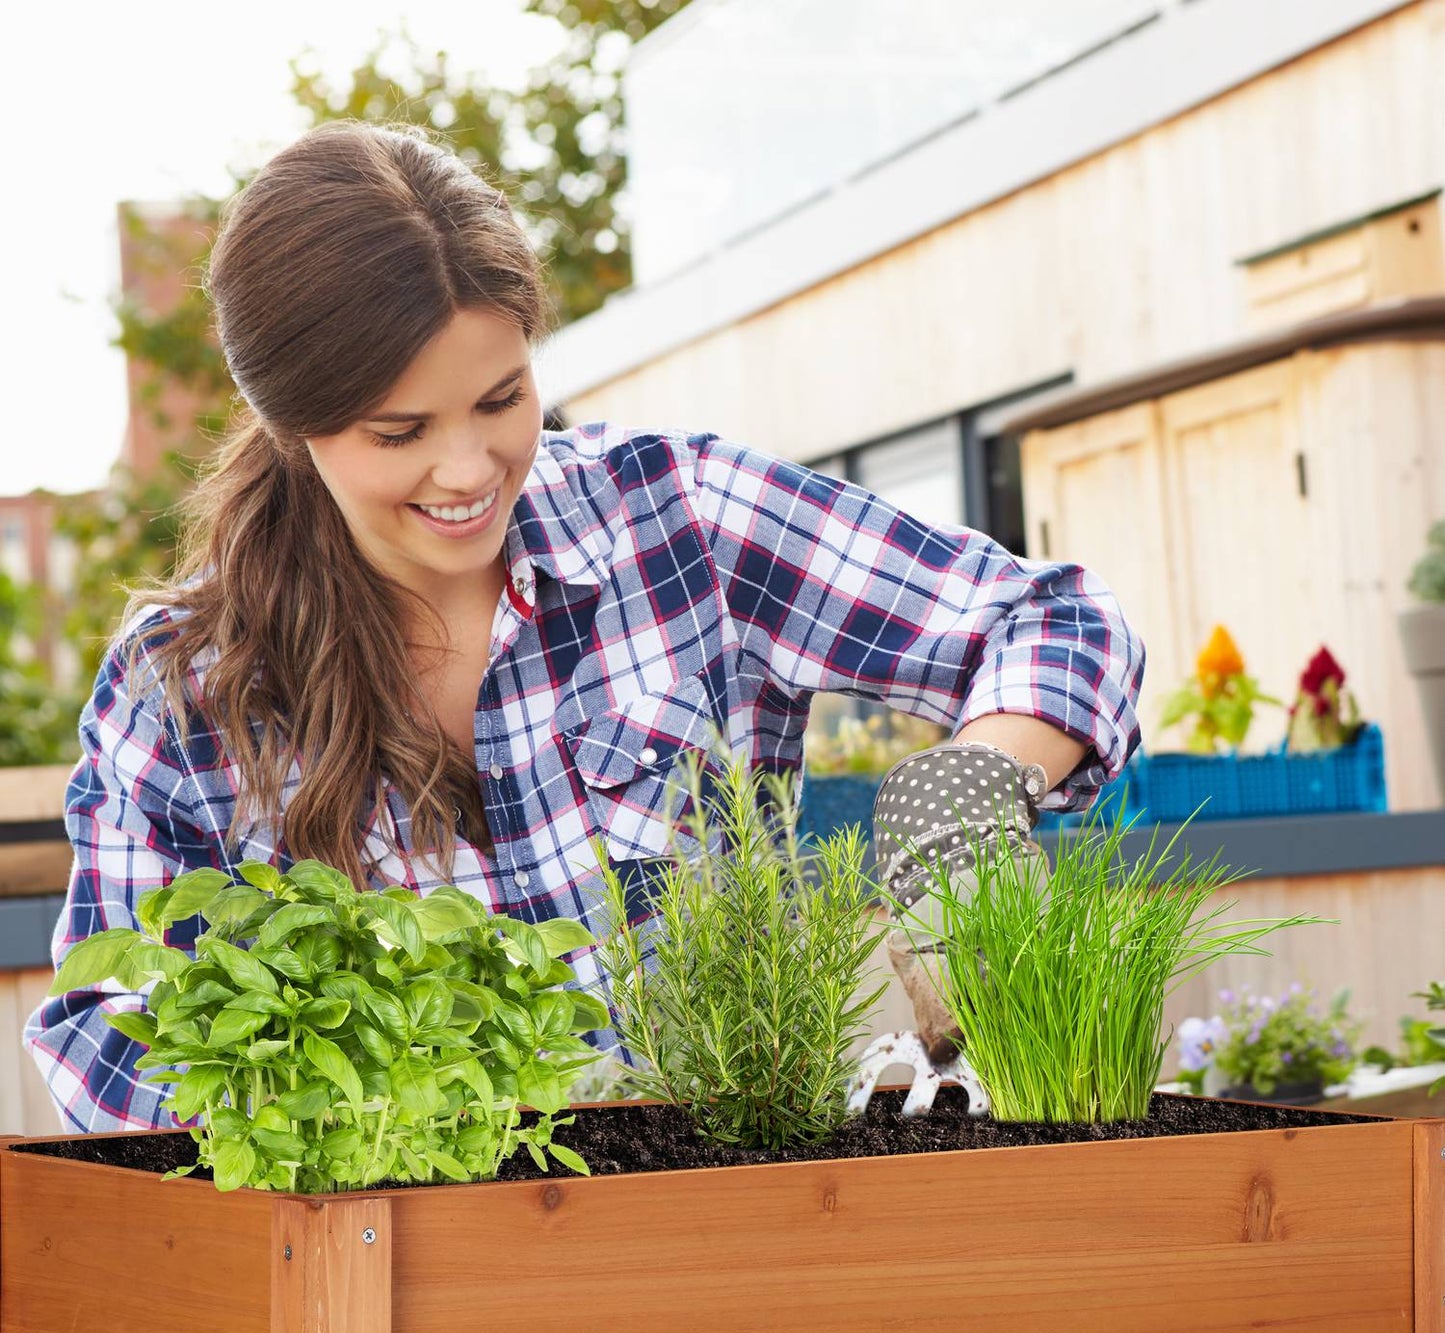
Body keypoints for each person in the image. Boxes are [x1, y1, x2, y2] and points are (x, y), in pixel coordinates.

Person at [24, 121, 1145, 1132]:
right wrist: (346, 1124)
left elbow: (1051, 617)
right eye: (399, 430)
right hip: (388, 1274)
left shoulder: (680, 522)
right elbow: (103, 1026)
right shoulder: (187, 685)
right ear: (289, 423)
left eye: (503, 399)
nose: (466, 470)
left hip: (717, 1218)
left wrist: (970, 782)